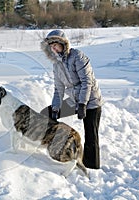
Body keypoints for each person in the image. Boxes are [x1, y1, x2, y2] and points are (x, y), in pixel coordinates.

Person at [40, 30, 103, 169]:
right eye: (51, 47)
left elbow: (87, 82)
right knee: (46, 114)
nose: (54, 49)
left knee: (91, 133)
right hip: (75, 100)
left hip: (91, 101)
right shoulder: (57, 64)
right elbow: (58, 89)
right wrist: (56, 108)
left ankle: (92, 167)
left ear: (63, 43)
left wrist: (82, 104)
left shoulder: (78, 57)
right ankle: (56, 147)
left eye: (55, 45)